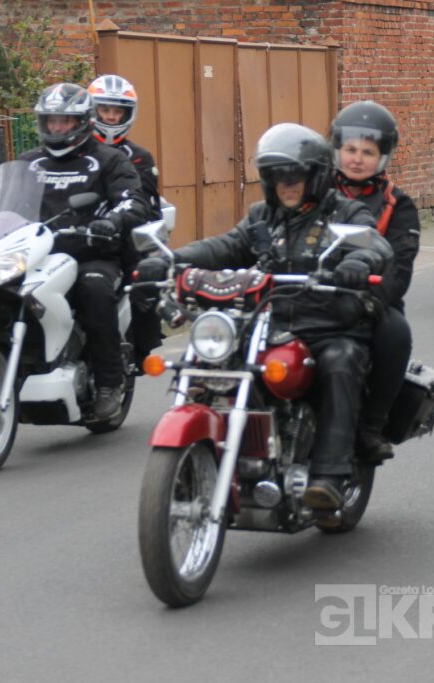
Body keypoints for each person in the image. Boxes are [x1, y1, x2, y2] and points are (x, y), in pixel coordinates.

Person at [138, 123, 393, 509]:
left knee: (341, 361)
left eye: (295, 176)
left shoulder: (345, 211)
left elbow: (373, 242)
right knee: (212, 361)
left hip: (327, 322)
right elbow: (226, 245)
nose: (286, 185)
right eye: (277, 177)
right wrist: (173, 259)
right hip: (267, 320)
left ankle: (330, 474)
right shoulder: (263, 216)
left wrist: (358, 261)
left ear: (315, 177)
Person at [18, 82, 149, 420]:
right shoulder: (29, 163)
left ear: (82, 122)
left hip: (93, 253)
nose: (57, 128)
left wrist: (112, 221)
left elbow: (134, 201)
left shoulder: (109, 159)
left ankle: (109, 382)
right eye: (51, 121)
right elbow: (5, 207)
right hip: (39, 255)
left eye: (65, 121)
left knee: (94, 290)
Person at [330, 100, 419, 463]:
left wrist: (369, 299)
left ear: (383, 157)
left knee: (396, 333)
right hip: (310, 294)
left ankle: (370, 425)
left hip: (370, 301)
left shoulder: (398, 205)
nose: (357, 159)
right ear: (337, 149)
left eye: (367, 152)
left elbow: (399, 270)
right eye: (350, 149)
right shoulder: (313, 193)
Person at [88, 74, 164, 370]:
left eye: (117, 111)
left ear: (127, 114)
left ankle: (142, 348)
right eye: (104, 109)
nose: (110, 116)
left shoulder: (139, 157)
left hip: (123, 236)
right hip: (79, 234)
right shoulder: (76, 152)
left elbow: (148, 207)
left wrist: (119, 224)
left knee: (144, 275)